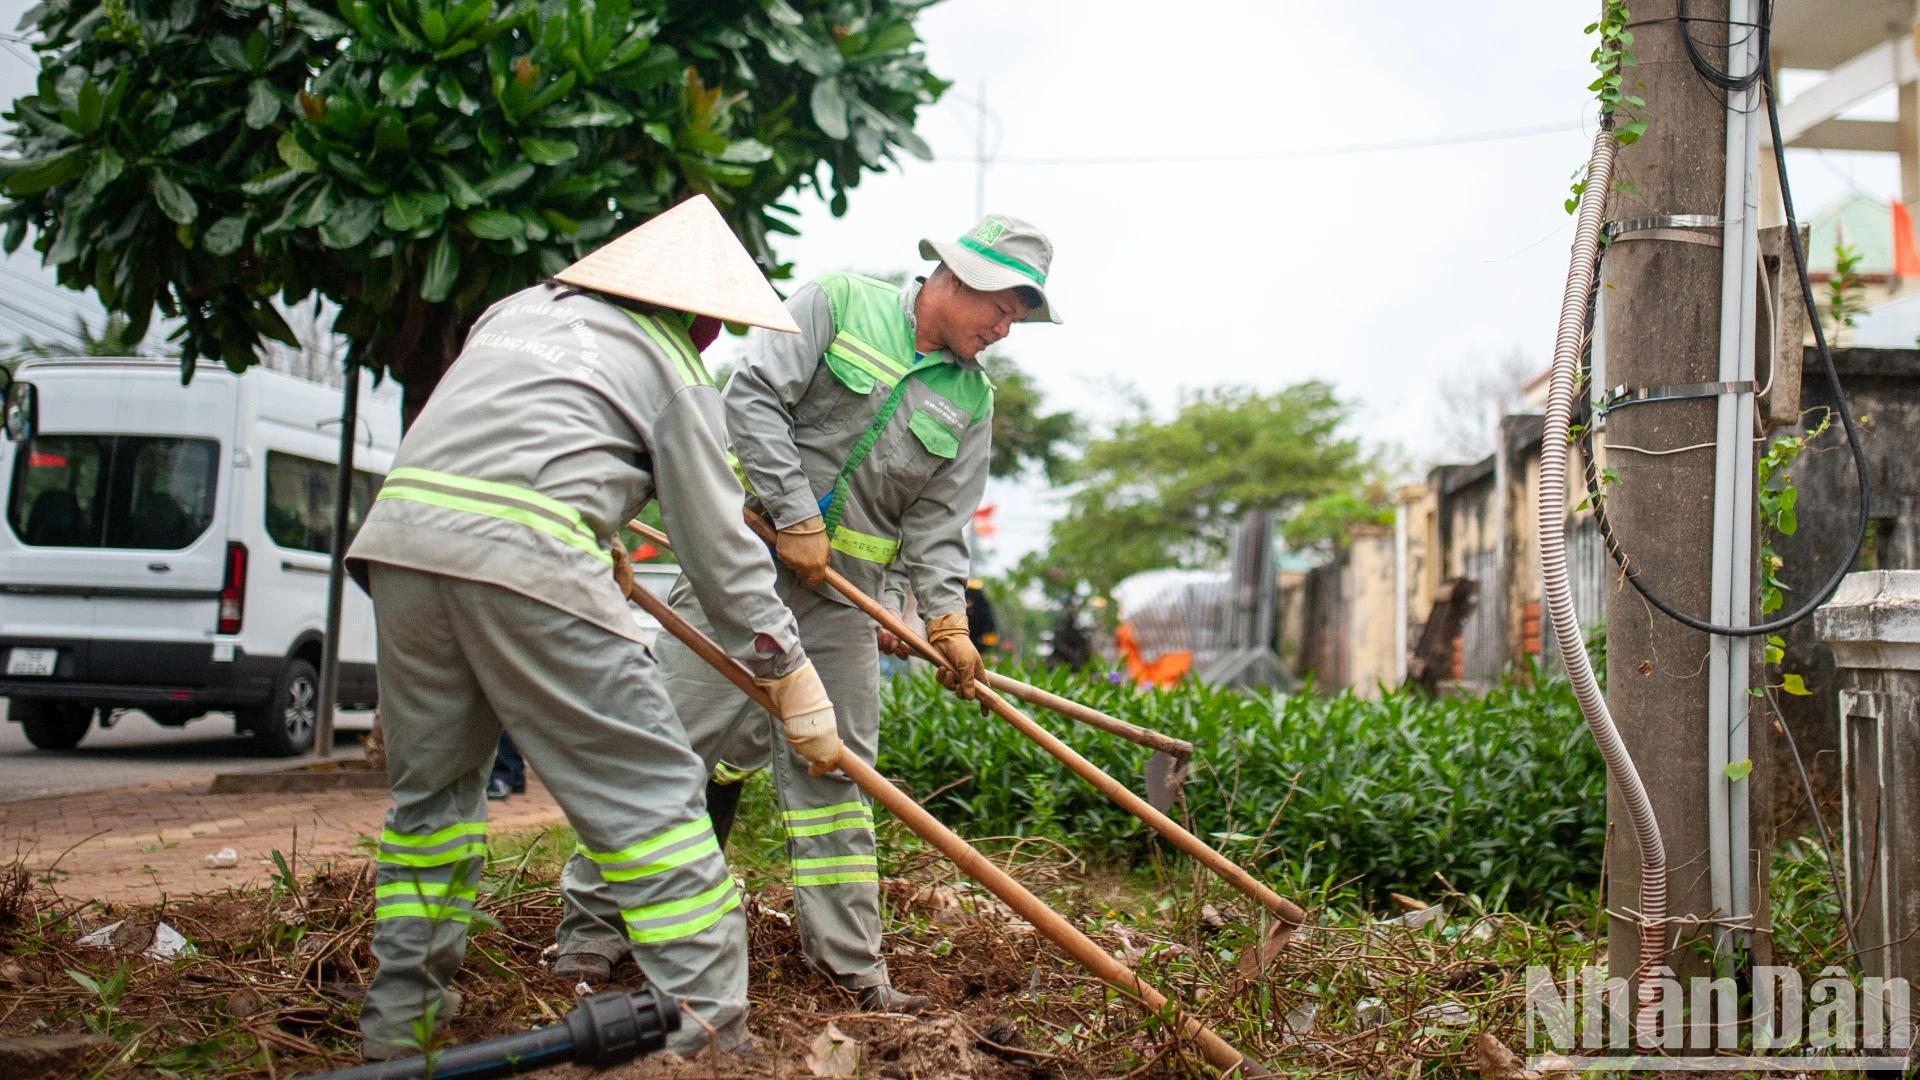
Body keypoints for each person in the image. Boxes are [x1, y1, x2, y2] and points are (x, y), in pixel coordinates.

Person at [343, 195, 845, 1059]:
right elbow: (719, 549)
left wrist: (598, 533)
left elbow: (516, 440)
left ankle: (401, 1024)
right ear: (694, 313)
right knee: (656, 804)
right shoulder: (671, 366)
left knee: (431, 805)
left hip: (404, 547)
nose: (712, 341)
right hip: (530, 562)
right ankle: (706, 1038)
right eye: (713, 325)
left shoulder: (514, 313)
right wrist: (789, 672)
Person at [551, 214, 1061, 1011]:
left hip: (843, 609)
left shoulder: (972, 399)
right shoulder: (836, 302)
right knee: (667, 750)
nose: (1006, 328)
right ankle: (590, 934)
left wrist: (947, 622)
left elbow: (936, 527)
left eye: (1020, 317)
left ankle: (851, 968)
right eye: (1003, 308)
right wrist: (794, 515)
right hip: (739, 569)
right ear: (957, 278)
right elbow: (752, 397)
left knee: (839, 775)